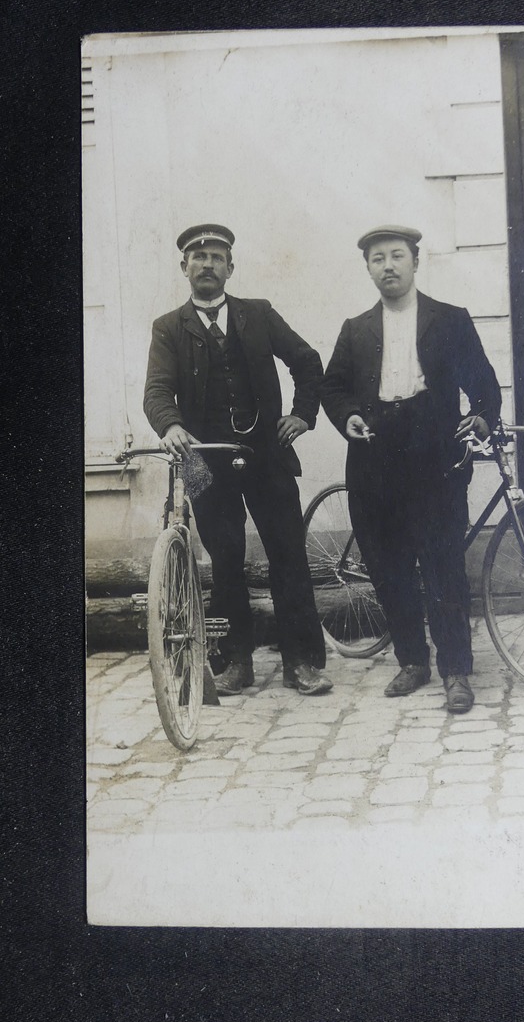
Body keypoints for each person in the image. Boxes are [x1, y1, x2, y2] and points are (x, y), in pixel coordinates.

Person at [144, 223, 332, 696]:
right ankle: (235, 663)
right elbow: (156, 391)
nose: (207, 264)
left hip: (266, 455)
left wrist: (302, 415)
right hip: (202, 462)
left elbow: (308, 361)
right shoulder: (168, 328)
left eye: (216, 256)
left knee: (287, 554)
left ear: (231, 267)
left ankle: (302, 663)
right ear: (184, 267)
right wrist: (171, 426)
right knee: (224, 561)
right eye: (197, 256)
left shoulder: (259, 314)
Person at [321, 225, 501, 713]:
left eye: (397, 256)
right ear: (368, 269)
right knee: (389, 567)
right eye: (377, 259)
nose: (388, 266)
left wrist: (482, 417)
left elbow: (484, 385)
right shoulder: (355, 329)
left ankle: (456, 671)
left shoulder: (450, 320)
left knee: (443, 567)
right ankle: (413, 662)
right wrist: (348, 416)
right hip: (375, 459)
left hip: (434, 456)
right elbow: (332, 388)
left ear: (415, 262)